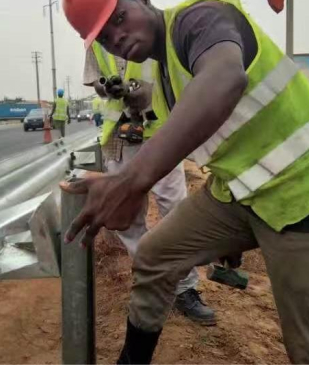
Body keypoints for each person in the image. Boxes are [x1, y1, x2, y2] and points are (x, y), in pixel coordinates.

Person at [62, 0, 309, 364]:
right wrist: (225, 235)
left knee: (307, 343)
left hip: (304, 192)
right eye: (107, 38)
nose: (118, 39)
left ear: (142, 0)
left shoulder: (200, 18)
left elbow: (225, 78)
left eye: (119, 19)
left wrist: (131, 181)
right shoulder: (163, 72)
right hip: (240, 193)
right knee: (153, 255)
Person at [84, 41, 216, 325]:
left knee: (177, 210)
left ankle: (185, 288)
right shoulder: (96, 41)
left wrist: (147, 91)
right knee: (129, 219)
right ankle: (151, 277)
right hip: (119, 139)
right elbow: (94, 80)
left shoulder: (155, 31)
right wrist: (107, 88)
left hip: (161, 134)